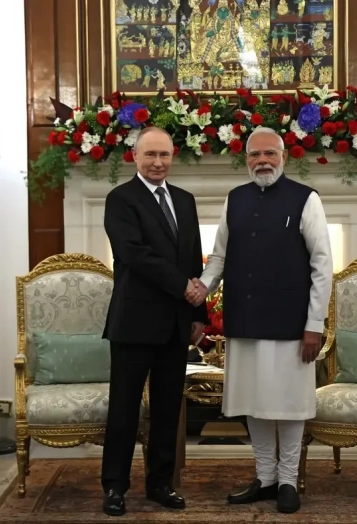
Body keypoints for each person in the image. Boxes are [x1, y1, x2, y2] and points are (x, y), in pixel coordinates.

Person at [191, 127, 333, 513]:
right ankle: (265, 476)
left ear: (284, 157)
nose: (263, 161)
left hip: (292, 324)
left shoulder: (306, 199)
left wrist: (315, 324)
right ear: (246, 159)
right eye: (255, 155)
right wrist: (202, 288)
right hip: (244, 319)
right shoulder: (234, 199)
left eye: (270, 153)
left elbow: (322, 266)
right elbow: (219, 257)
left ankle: (288, 480)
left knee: (289, 404)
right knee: (253, 401)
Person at [101, 126, 207, 516]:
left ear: (173, 156)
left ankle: (160, 483)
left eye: (164, 155)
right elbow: (135, 254)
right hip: (134, 322)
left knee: (167, 410)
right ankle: (115, 486)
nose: (158, 162)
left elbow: (193, 256)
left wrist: (199, 313)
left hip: (176, 323)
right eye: (150, 155)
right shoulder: (120, 199)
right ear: (135, 157)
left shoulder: (185, 200)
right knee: (124, 410)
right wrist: (184, 287)